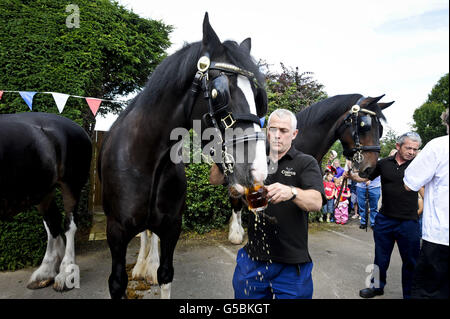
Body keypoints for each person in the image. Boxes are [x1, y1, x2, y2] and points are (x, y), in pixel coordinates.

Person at [211, 108, 325, 299]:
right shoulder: (253, 158)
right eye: (272, 129)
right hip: (253, 262)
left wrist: (292, 192)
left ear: (294, 134)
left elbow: (316, 202)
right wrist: (224, 160)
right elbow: (215, 179)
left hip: (292, 265)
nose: (277, 135)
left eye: (283, 130)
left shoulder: (306, 162)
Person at [346, 131, 422, 299]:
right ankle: (376, 287)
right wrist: (351, 174)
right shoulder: (384, 164)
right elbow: (365, 178)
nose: (412, 152)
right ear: (398, 146)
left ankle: (410, 294)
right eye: (408, 148)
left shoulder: (419, 165)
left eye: (415, 149)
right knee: (381, 257)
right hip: (385, 219)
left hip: (409, 222)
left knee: (411, 261)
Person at [404, 109, 449, 299]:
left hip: (441, 237)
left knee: (430, 292)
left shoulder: (439, 146)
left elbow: (409, 183)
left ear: (447, 123)